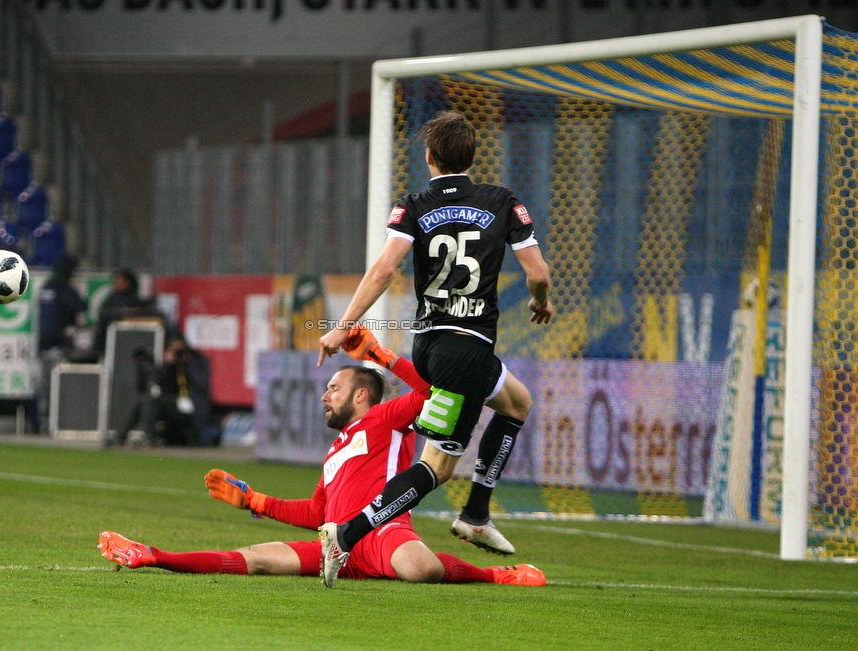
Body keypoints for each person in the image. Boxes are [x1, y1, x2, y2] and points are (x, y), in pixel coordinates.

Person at [98, 326, 545, 587]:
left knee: (420, 568)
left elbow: (432, 392)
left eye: (335, 388)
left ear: (362, 394)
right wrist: (255, 501)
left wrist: (382, 355)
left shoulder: (389, 416)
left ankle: (495, 576)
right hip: (336, 545)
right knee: (255, 558)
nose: (325, 396)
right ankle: (151, 554)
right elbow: (317, 511)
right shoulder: (334, 450)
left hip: (384, 532)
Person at [317, 111, 553, 587]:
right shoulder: (502, 202)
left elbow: (384, 271)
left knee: (517, 403)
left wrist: (343, 327)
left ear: (428, 157)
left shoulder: (414, 204)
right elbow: (539, 274)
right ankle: (346, 535)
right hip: (467, 352)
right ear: (473, 156)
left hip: (430, 346)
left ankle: (477, 513)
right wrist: (540, 302)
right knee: (436, 468)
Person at [110, 336, 216, 447]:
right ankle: (121, 436)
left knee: (151, 400)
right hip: (172, 402)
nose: (176, 353)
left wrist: (186, 364)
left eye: (179, 350)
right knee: (144, 399)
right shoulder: (171, 366)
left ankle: (146, 436)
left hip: (191, 404)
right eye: (173, 349)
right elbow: (159, 383)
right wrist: (168, 364)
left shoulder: (198, 360)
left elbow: (202, 383)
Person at [34, 254, 87, 434]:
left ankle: (41, 422)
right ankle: (54, 423)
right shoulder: (65, 289)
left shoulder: (46, 287)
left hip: (43, 344)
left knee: (43, 385)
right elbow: (80, 307)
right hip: (58, 344)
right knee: (56, 386)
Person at [93, 268, 151, 357]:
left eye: (122, 280)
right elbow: (103, 315)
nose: (118, 283)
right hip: (106, 342)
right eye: (117, 279)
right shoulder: (111, 299)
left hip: (126, 342)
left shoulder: (134, 301)